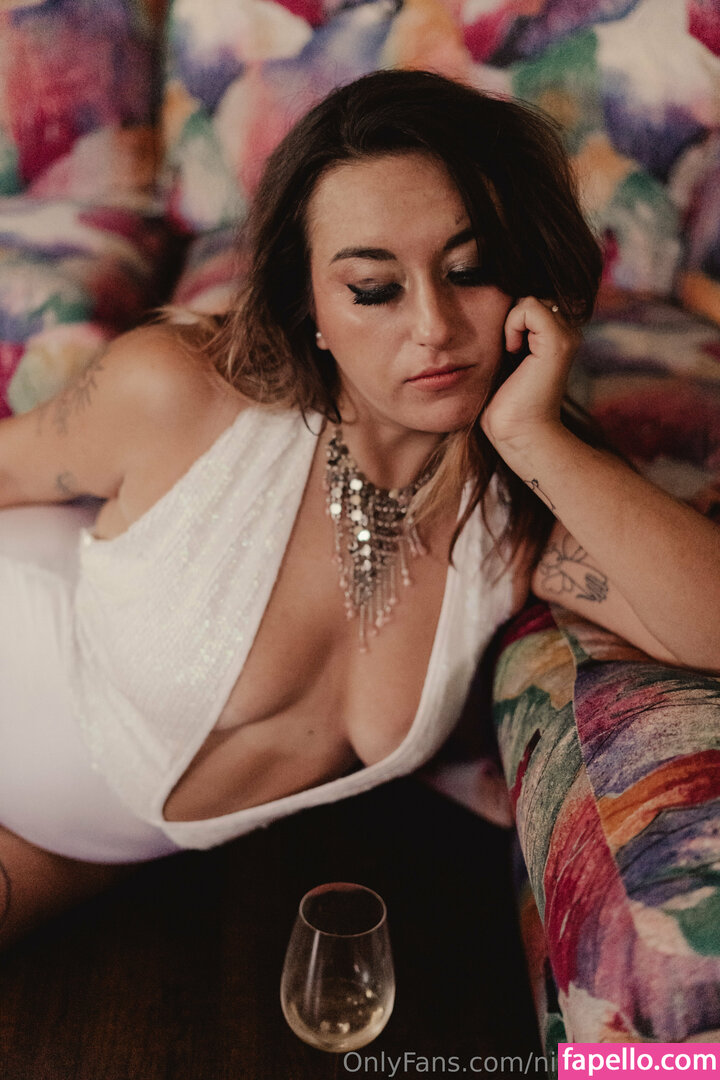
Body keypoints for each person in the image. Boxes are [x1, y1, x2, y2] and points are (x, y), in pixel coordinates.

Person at [0, 69, 718, 950]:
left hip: (93, 847)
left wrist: (535, 437)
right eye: (374, 289)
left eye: (472, 269)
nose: (434, 327)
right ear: (309, 306)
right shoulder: (177, 395)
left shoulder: (520, 512)